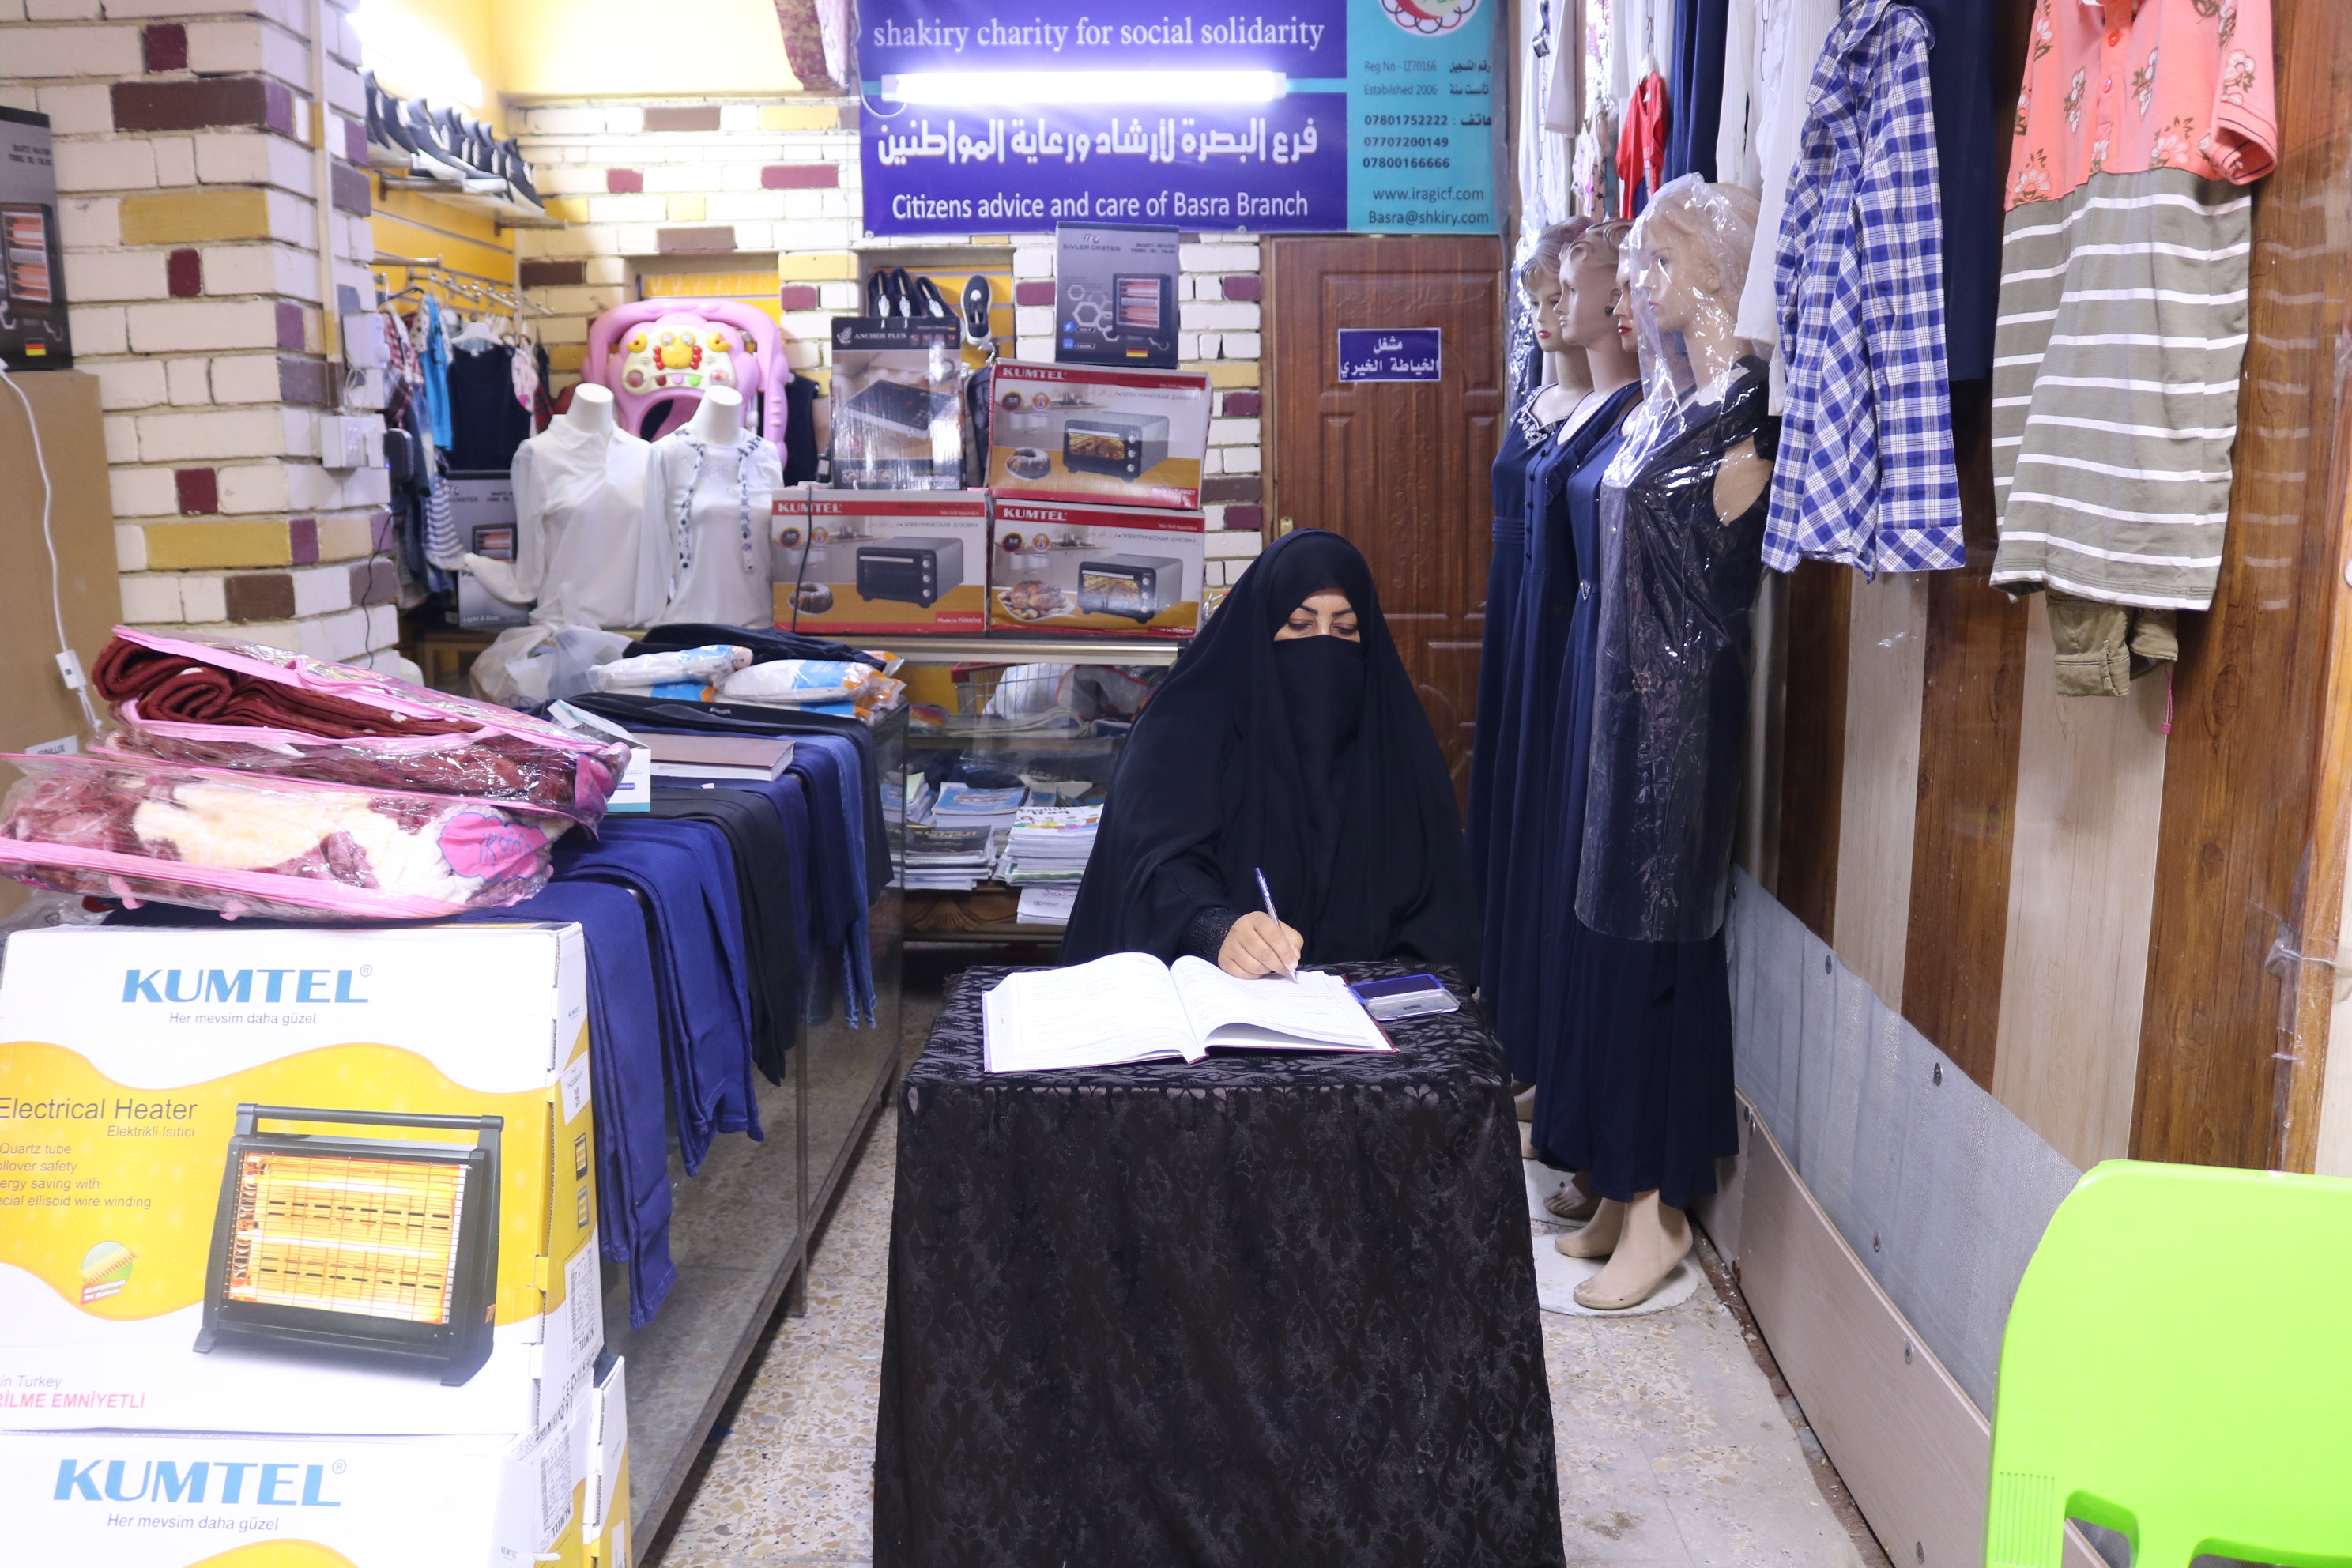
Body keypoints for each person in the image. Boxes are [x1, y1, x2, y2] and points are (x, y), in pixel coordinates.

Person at [1061, 529, 1480, 982]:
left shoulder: (1394, 745)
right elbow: (1155, 864)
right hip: (1215, 993)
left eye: (1344, 629)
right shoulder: (1183, 726)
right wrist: (1216, 928)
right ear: (1260, 624)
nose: (1323, 646)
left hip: (1362, 1006)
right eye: (1299, 625)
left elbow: (1436, 908)